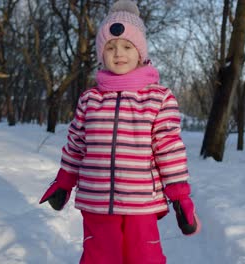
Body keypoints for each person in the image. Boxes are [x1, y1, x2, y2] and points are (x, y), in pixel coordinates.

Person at [39, 1, 201, 263]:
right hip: (96, 202)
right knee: (99, 258)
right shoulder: (90, 99)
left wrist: (180, 197)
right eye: (110, 47)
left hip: (141, 204)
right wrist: (64, 182)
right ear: (101, 54)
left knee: (144, 257)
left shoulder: (157, 99)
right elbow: (76, 147)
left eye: (127, 46)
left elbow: (169, 150)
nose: (118, 53)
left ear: (140, 52)